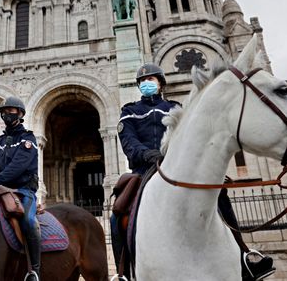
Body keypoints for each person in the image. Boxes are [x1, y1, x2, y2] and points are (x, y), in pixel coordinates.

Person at [111, 63, 275, 281]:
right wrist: (148, 154)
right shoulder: (129, 111)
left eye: (151, 80)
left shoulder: (176, 107)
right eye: (142, 81)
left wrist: (170, 156)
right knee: (118, 213)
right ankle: (124, 272)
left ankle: (245, 257)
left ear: (160, 84)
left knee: (220, 194)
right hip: (144, 170)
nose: (146, 84)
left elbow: (191, 136)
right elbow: (128, 141)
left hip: (177, 167)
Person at [0, 96, 41, 281]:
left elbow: (18, 166)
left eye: (11, 111)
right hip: (0, 190)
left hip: (23, 191)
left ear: (20, 114)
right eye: (4, 112)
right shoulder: (0, 140)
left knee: (29, 222)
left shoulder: (28, 138)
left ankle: (34, 270)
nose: (7, 114)